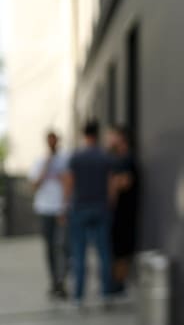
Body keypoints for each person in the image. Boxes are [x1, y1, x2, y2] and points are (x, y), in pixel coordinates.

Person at [63, 120, 115, 306]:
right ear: (97, 134)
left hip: (80, 208)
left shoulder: (76, 157)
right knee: (104, 252)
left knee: (79, 252)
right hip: (101, 207)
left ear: (84, 134)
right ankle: (106, 294)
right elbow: (111, 186)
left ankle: (78, 297)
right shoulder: (104, 157)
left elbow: (69, 183)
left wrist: (65, 205)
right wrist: (110, 204)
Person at [28, 130, 69, 299]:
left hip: (60, 209)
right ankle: (54, 281)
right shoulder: (40, 162)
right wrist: (46, 166)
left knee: (62, 246)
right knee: (50, 248)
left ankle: (62, 280)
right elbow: (34, 186)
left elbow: (69, 183)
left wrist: (64, 207)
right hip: (45, 209)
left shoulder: (65, 160)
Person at [107, 125, 139, 294]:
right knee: (116, 248)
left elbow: (125, 182)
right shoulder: (118, 159)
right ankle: (116, 283)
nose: (109, 139)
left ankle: (118, 285)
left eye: (112, 136)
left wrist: (112, 183)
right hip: (119, 213)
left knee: (122, 250)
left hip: (125, 213)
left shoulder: (126, 159)